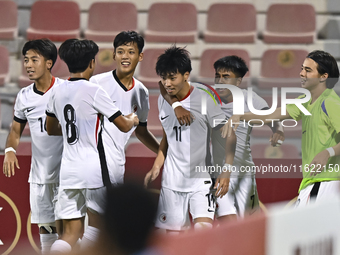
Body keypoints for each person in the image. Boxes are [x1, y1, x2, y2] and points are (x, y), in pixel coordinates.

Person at [46, 39, 139, 253]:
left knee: (68, 234)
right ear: (91, 63)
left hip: (68, 171)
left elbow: (51, 128)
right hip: (94, 170)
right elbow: (124, 126)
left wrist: (77, 126)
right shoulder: (94, 90)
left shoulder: (57, 91)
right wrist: (133, 119)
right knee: (98, 227)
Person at [223, 50, 340, 208]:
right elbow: (271, 114)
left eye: (308, 70)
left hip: (327, 183)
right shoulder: (306, 102)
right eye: (302, 68)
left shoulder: (330, 102)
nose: (301, 73)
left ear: (323, 77)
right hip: (313, 184)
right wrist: (240, 116)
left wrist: (328, 152)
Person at [144, 46, 236, 233]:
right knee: (173, 242)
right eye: (164, 78)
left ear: (186, 75)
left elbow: (229, 136)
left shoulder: (204, 100)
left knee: (204, 232)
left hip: (200, 180)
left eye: (172, 77)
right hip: (172, 183)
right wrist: (156, 165)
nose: (167, 83)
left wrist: (226, 171)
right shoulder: (163, 100)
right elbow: (167, 137)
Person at [2, 39, 63, 254]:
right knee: (47, 230)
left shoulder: (66, 90)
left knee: (71, 232)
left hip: (68, 174)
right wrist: (10, 150)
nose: (28, 65)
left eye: (34, 60)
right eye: (26, 60)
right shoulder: (24, 96)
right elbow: (15, 131)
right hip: (40, 175)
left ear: (48, 63)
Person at [90, 30, 159, 187]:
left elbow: (141, 131)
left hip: (117, 164)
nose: (125, 56)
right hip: (97, 163)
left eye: (131, 52)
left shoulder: (141, 92)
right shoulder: (96, 83)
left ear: (140, 56)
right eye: (120, 52)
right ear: (114, 55)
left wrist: (164, 153)